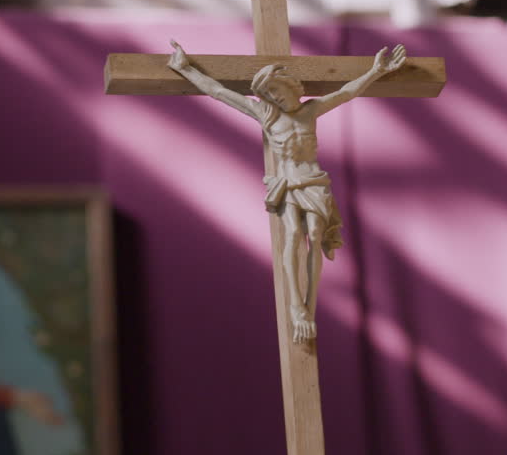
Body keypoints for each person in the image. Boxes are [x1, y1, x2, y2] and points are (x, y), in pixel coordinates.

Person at [168, 40, 406, 342]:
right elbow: (219, 92)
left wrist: (375, 71)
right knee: (294, 234)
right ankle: (296, 305)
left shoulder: (311, 110)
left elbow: (346, 92)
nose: (277, 100)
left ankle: (310, 305)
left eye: (278, 93)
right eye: (271, 97)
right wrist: (185, 68)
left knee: (316, 237)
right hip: (289, 184)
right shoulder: (267, 117)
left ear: (292, 87)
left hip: (314, 182)